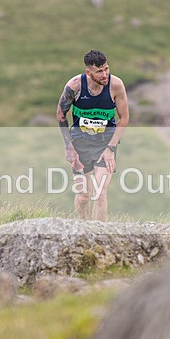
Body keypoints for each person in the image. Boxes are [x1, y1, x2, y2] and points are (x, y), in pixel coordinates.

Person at [56, 50, 129, 221]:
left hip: (105, 143)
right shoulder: (75, 86)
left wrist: (111, 148)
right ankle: (82, 230)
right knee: (83, 196)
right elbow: (60, 115)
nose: (105, 75)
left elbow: (124, 118)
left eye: (106, 69)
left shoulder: (116, 85)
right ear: (88, 72)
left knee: (100, 192)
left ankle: (99, 234)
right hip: (80, 142)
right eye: (99, 71)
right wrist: (69, 148)